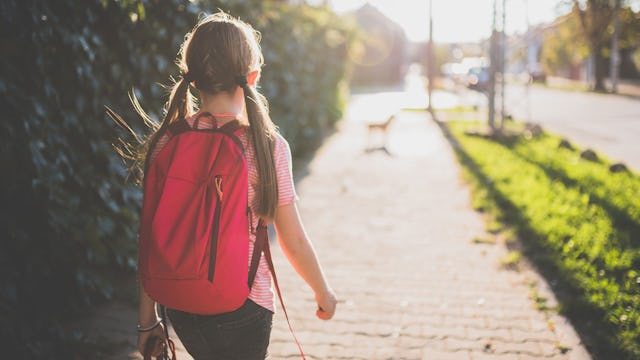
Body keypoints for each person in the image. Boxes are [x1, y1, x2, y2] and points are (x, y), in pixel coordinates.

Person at [134, 11, 337, 359]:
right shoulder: (266, 146)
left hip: (180, 303)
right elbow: (293, 239)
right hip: (244, 305)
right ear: (253, 76)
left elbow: (152, 234)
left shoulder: (166, 140)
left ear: (192, 79)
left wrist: (146, 319)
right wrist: (323, 293)